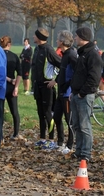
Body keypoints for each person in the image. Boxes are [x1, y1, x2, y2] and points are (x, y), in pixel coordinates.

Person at [70, 27, 102, 162]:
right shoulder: (82, 53)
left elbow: (94, 78)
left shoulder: (92, 55)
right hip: (77, 94)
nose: (75, 38)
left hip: (85, 95)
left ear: (83, 38)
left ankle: (86, 153)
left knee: (84, 125)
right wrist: (74, 92)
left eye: (76, 36)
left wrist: (82, 93)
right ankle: (78, 151)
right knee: (76, 125)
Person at [47, 30, 77, 155]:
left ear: (63, 41)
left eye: (58, 39)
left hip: (67, 94)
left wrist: (70, 87)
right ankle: (60, 142)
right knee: (56, 117)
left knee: (69, 120)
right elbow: (62, 71)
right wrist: (56, 80)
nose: (56, 41)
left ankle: (70, 145)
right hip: (61, 93)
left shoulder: (71, 55)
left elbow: (76, 73)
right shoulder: (64, 55)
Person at [31, 27, 61, 150]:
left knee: (48, 113)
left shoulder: (49, 50)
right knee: (40, 113)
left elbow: (63, 65)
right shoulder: (37, 49)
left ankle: (51, 140)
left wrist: (55, 80)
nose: (33, 37)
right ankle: (42, 139)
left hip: (47, 87)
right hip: (38, 86)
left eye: (34, 36)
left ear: (39, 37)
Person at [0, 36, 22, 140]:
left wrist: (7, 79)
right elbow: (20, 74)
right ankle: (16, 133)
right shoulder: (14, 57)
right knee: (15, 112)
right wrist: (16, 86)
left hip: (0, 86)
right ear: (9, 45)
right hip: (12, 87)